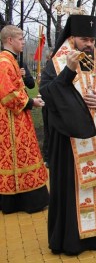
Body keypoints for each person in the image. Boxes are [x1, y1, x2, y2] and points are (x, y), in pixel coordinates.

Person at [39, 14, 96, 255]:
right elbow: (48, 95)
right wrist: (68, 71)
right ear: (72, 38)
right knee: (73, 189)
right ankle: (73, 240)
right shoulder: (56, 63)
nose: (89, 44)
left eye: (92, 40)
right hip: (70, 142)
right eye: (85, 39)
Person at [0, 25, 49, 214]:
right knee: (19, 155)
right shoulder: (4, 62)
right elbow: (7, 93)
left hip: (18, 116)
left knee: (21, 155)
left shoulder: (10, 60)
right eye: (20, 39)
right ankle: (27, 201)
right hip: (12, 119)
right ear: (10, 40)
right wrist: (30, 102)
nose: (23, 42)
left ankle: (18, 200)